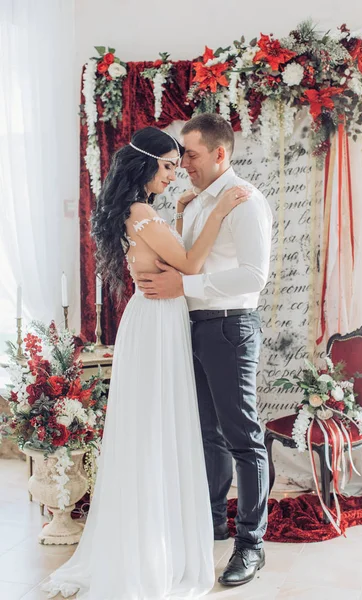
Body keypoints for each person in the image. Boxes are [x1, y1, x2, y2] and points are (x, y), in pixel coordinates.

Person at [42, 126, 250, 600]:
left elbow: (164, 257)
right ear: (145, 164)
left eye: (180, 164)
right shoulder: (140, 212)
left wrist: (177, 216)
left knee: (157, 427)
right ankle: (156, 549)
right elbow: (192, 265)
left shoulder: (137, 212)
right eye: (169, 165)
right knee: (159, 427)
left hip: (153, 318)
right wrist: (217, 211)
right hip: (157, 322)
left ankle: (156, 538)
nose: (176, 174)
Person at [137, 114, 273, 587]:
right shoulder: (194, 203)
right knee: (206, 435)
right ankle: (214, 520)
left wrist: (187, 284)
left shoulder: (246, 202)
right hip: (192, 327)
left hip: (230, 327)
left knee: (243, 438)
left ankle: (251, 545)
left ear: (220, 154)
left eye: (191, 155)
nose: (183, 165)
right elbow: (187, 254)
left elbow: (255, 276)